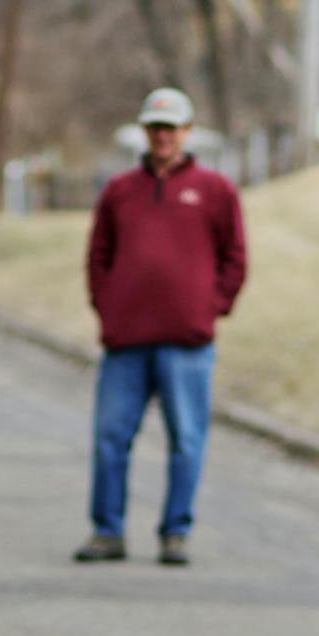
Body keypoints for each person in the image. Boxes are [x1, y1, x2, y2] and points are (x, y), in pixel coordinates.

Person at [76, 87, 248, 566]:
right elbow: (98, 257)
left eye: (170, 128)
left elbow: (234, 258)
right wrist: (108, 309)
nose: (162, 137)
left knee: (186, 441)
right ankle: (106, 532)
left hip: (188, 344)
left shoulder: (216, 191)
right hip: (126, 342)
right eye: (154, 128)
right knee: (111, 438)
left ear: (187, 132)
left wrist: (211, 308)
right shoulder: (118, 191)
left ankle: (175, 533)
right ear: (144, 132)